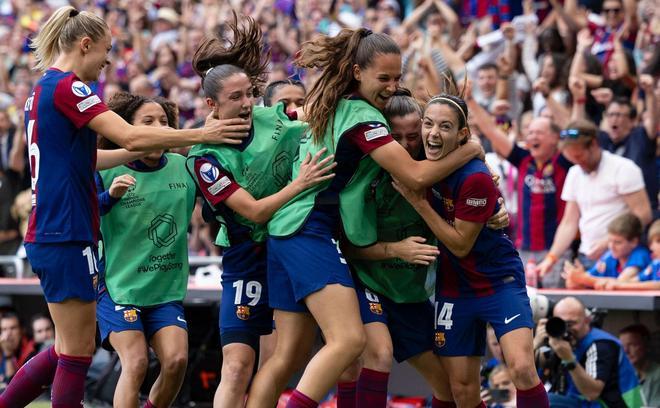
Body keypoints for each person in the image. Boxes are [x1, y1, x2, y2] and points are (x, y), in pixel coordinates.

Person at [0, 6, 251, 407]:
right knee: (77, 353)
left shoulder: (40, 91)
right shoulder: (70, 88)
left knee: (66, 347)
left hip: (55, 229)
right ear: (85, 45)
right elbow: (132, 139)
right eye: (106, 50)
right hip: (65, 230)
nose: (108, 61)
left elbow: (90, 160)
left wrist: (170, 142)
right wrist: (205, 132)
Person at [246, 29, 482, 408]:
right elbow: (417, 176)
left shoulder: (333, 102)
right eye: (383, 78)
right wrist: (470, 149)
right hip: (309, 228)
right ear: (357, 71)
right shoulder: (363, 116)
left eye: (397, 78)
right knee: (349, 342)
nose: (391, 86)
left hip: (284, 230)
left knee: (287, 358)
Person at [186, 15, 335, 408]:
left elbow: (323, 124)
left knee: (277, 361)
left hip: (287, 248)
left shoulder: (278, 119)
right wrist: (299, 183)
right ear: (211, 105)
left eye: (249, 94)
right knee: (237, 366)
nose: (247, 104)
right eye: (235, 98)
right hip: (245, 257)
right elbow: (252, 212)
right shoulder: (204, 159)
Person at [393, 92, 548, 408]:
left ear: (461, 134)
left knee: (521, 367)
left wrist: (420, 204)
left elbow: (461, 245)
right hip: (454, 287)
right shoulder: (417, 160)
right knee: (461, 389)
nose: (433, 134)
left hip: (497, 281)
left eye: (445, 127)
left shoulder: (475, 175)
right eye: (428, 124)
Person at [94, 92, 195, 408]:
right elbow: (83, 214)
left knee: (177, 361)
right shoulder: (106, 169)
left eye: (164, 122)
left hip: (165, 291)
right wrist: (109, 197)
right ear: (128, 129)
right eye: (148, 122)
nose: (159, 128)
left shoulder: (184, 167)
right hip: (119, 289)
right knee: (135, 363)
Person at [468, 98, 572, 287]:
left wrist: (550, 96)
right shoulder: (523, 159)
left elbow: (574, 130)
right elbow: (491, 131)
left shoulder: (564, 162)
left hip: (555, 250)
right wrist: (471, 101)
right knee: (527, 300)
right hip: (524, 249)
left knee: (554, 302)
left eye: (539, 132)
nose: (532, 136)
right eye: (530, 132)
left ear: (555, 138)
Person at [536, 119, 652, 279]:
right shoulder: (574, 173)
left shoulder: (623, 168)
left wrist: (609, 242)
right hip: (587, 255)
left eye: (580, 156)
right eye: (572, 159)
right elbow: (569, 222)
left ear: (594, 144)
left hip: (620, 257)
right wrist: (551, 258)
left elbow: (643, 214)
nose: (578, 163)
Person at [534, 297, 642, 407]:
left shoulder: (601, 344)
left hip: (610, 405)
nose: (566, 329)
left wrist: (569, 359)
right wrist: (535, 345)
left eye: (571, 323)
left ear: (587, 320)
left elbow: (592, 393)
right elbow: (531, 370)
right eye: (561, 322)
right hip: (580, 402)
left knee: (546, 401)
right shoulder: (558, 339)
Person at [562, 212, 651, 289]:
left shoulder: (640, 255)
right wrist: (574, 279)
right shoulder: (609, 256)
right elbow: (583, 281)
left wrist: (583, 279)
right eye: (609, 241)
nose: (611, 246)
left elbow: (620, 283)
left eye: (618, 242)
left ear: (634, 242)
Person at [605, 218, 660, 290]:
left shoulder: (641, 254)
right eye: (651, 242)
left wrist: (621, 286)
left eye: (658, 241)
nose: (652, 247)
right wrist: (615, 283)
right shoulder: (655, 264)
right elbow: (637, 280)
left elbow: (657, 285)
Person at [619, 324, 660, 407]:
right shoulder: (626, 374)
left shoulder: (657, 375)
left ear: (646, 345)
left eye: (632, 345)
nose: (626, 351)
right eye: (622, 346)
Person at [0, 312, 36, 390]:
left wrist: (8, 355)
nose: (8, 333)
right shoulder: (2, 347)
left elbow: (12, 389)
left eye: (13, 328)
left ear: (22, 330)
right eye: (4, 329)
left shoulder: (32, 350)